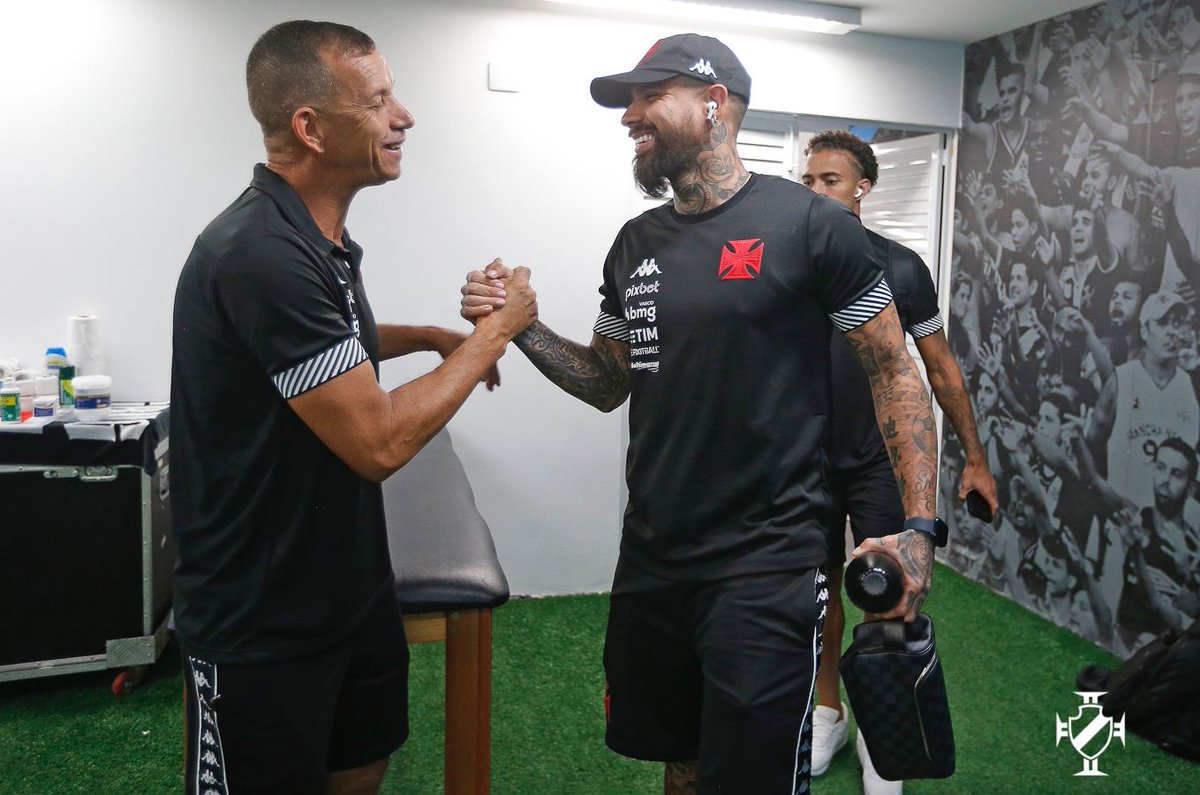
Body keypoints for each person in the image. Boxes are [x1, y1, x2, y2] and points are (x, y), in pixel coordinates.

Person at [462, 33, 942, 795]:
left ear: (714, 103)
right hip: (654, 557)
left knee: (750, 777)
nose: (631, 116)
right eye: (630, 102)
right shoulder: (636, 243)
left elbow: (895, 371)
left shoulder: (810, 226)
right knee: (680, 762)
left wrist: (917, 526)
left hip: (767, 564)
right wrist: (520, 327)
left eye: (651, 97)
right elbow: (607, 380)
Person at [169, 21, 536, 794]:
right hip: (258, 613)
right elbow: (377, 441)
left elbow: (333, 345)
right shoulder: (260, 252)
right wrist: (493, 334)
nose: (404, 116)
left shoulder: (318, 239)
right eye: (377, 102)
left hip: (347, 586)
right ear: (311, 127)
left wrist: (431, 336)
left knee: (359, 765)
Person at [799, 130, 999, 794]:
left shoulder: (899, 266)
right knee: (819, 594)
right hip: (805, 459)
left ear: (862, 187)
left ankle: (879, 730)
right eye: (808, 180)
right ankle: (828, 713)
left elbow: (940, 369)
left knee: (886, 588)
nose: (816, 190)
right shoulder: (789, 263)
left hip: (879, 458)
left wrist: (975, 458)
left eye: (830, 179)